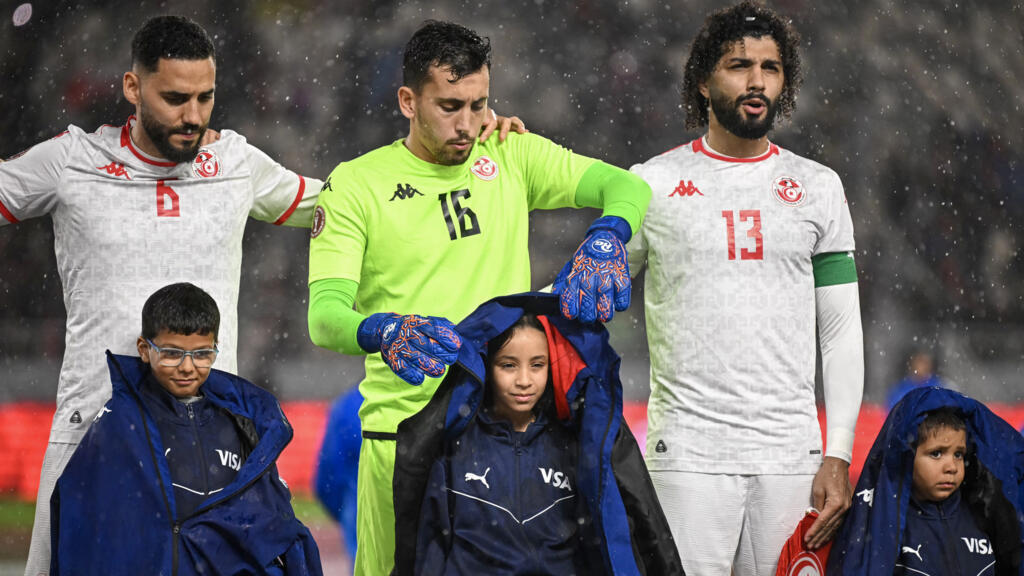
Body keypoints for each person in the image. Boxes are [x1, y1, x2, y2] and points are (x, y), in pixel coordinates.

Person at [0, 14, 519, 575]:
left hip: (209, 434)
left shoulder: (234, 164)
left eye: (206, 98)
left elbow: (350, 206)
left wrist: (481, 161)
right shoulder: (70, 162)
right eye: (175, 98)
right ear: (133, 87)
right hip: (94, 423)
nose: (193, 116)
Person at [307, 20, 650, 574]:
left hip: (503, 436)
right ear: (407, 101)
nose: (468, 124)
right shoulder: (355, 185)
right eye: (449, 106)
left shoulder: (509, 154)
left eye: (478, 104)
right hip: (404, 434)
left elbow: (628, 186)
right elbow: (324, 319)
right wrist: (383, 330)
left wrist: (608, 234)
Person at [624, 2, 864, 574]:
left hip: (792, 459)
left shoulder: (817, 187)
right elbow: (581, 296)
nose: (757, 81)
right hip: (686, 458)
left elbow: (840, 331)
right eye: (739, 65)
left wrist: (839, 453)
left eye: (771, 68)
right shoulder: (648, 185)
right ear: (704, 82)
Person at [392, 293, 682, 575]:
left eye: (537, 365)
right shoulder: (453, 450)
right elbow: (428, 551)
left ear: (551, 367)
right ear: (486, 367)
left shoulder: (580, 447)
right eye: (508, 365)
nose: (524, 381)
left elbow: (637, 529)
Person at [49, 282, 322, 575]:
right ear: (144, 349)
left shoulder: (240, 423)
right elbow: (82, 522)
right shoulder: (119, 424)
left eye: (202, 354)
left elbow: (270, 521)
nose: (187, 367)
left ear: (216, 348)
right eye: (171, 353)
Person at [827, 386, 1024, 575]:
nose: (951, 467)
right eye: (936, 454)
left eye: (958, 454)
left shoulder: (984, 515)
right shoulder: (883, 530)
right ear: (907, 456)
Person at [313, 385, 363, 566]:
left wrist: (343, 513)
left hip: (359, 508)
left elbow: (328, 475)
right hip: (414, 507)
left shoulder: (348, 406)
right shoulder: (426, 394)